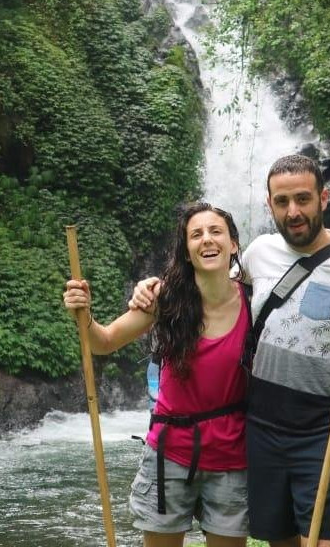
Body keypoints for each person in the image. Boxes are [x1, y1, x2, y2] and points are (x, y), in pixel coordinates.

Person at [131, 154, 330, 547]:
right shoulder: (257, 254)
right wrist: (154, 287)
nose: (294, 211)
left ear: (325, 197)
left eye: (303, 199)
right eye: (282, 202)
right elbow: (207, 288)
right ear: (268, 204)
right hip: (264, 426)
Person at [64, 202, 251, 547]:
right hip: (170, 454)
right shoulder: (166, 299)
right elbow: (103, 342)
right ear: (187, 251)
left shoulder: (255, 299)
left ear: (234, 244)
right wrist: (84, 313)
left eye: (215, 232)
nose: (207, 240)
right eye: (196, 234)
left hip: (230, 457)